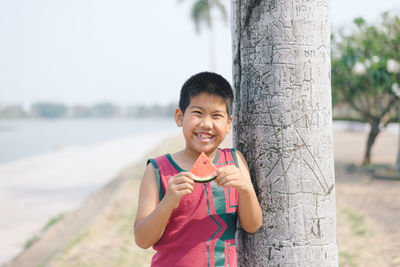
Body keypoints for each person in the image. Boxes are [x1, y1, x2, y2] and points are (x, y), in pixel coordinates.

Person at [134, 72, 262, 267]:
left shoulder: (235, 161)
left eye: (217, 116)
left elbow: (252, 226)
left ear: (228, 124)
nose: (206, 124)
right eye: (198, 113)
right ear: (179, 117)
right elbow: (142, 240)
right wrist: (168, 202)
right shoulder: (157, 170)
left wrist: (245, 189)